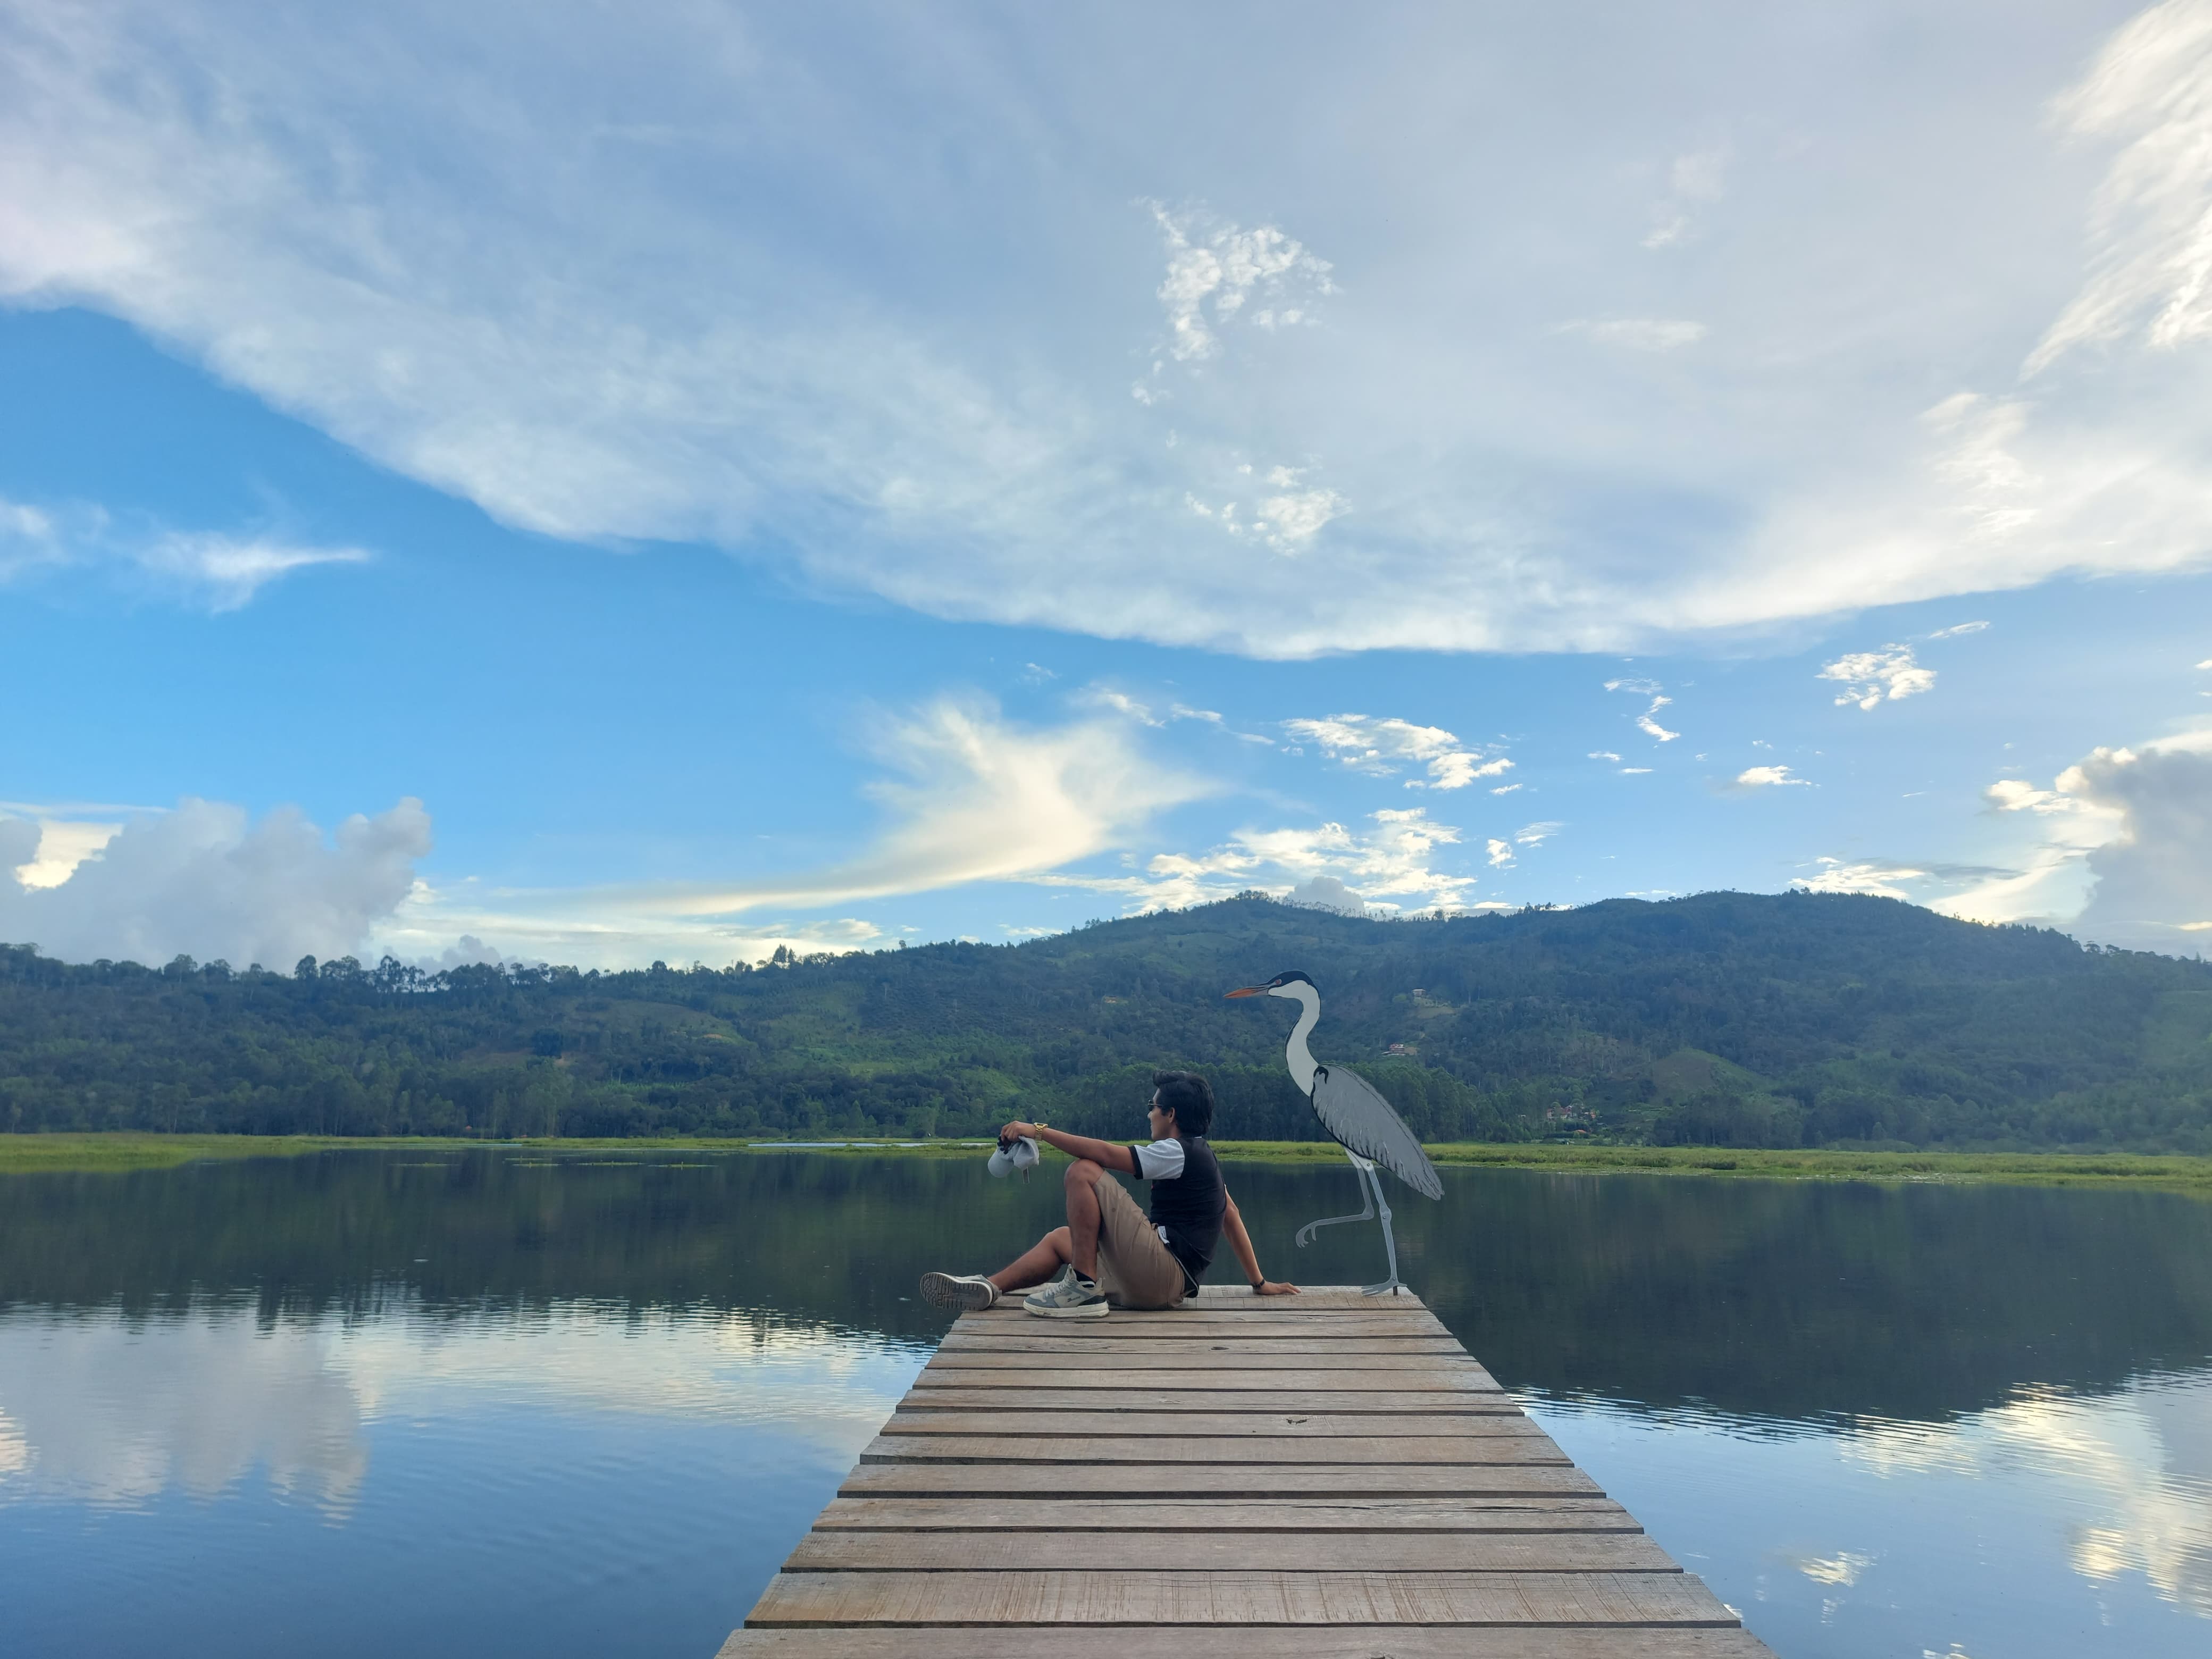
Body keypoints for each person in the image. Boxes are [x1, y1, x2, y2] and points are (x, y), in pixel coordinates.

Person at [919, 1070, 1300, 1317]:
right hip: (1161, 1286)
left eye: (1152, 1107)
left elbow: (1102, 1155)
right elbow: (1229, 1214)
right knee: (1059, 1240)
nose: (1149, 1113)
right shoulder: (1202, 1157)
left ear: (1170, 1115)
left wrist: (1037, 1131)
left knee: (1084, 1170)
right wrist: (1259, 1283)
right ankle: (990, 1287)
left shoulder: (1178, 1151)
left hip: (1161, 1275)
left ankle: (1084, 1287)